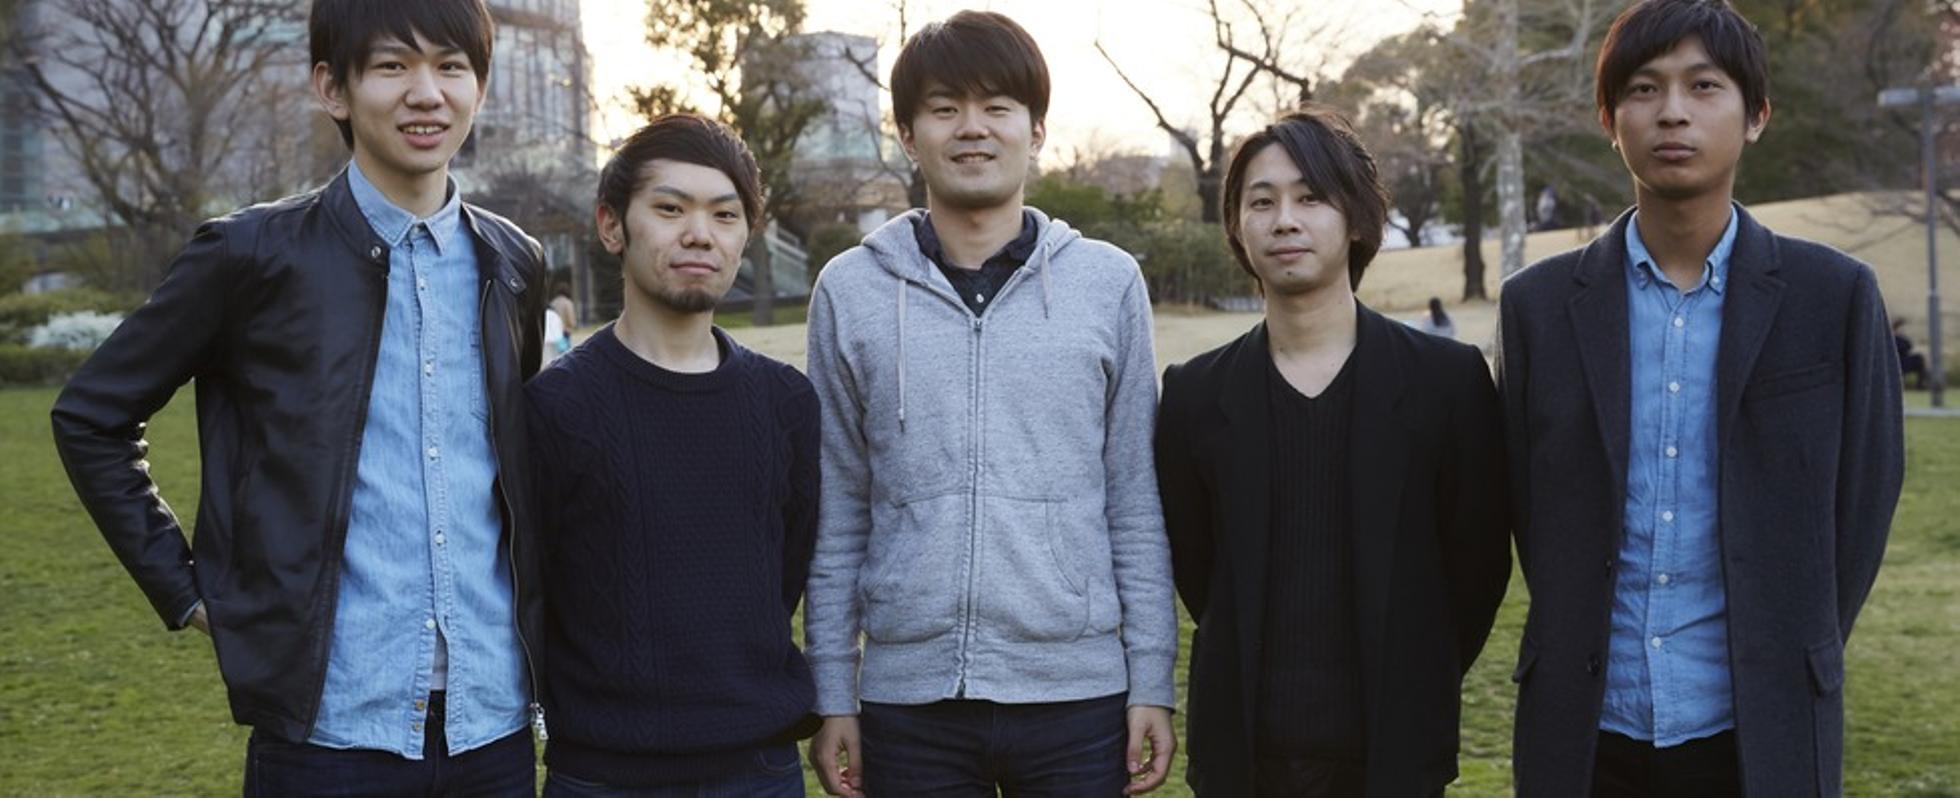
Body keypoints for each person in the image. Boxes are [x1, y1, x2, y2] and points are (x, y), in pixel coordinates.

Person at [49, 1, 549, 794]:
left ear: (479, 88)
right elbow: (91, 416)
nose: (426, 93)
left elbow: (522, 474)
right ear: (332, 88)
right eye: (393, 66)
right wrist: (184, 591)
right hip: (327, 733)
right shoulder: (248, 256)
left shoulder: (513, 262)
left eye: (451, 67)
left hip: (492, 728)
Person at [1495, 2, 1905, 795]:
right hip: (1587, 726)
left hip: (1761, 727)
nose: (1673, 112)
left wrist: (1796, 642)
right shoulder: (1537, 307)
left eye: (1704, 86)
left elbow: (1866, 495)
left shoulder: (1834, 296)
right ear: (1610, 119)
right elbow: (1520, 502)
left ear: (1756, 115)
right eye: (1644, 89)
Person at [802, 10, 1179, 797]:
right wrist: (834, 690)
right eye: (945, 108)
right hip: (909, 705)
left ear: (1036, 130)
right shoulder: (850, 289)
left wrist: (1151, 678)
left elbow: (1134, 499)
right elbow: (839, 506)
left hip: (1078, 698)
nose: (971, 128)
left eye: (997, 107)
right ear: (908, 135)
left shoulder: (1107, 283)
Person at [1155, 106, 1510, 798]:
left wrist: (1417, 669)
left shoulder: (1447, 383)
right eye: (1262, 202)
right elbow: (1201, 575)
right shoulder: (1195, 396)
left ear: (1356, 219)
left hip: (1395, 757)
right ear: (1237, 226)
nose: (1285, 220)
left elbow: (1477, 569)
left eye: (1311, 197)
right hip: (1242, 762)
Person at [525, 113, 819, 796]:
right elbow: (533, 590)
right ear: (611, 225)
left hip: (759, 770)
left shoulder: (786, 403)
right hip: (602, 775)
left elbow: (787, 573)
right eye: (670, 208)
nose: (699, 233)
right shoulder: (555, 407)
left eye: (725, 214)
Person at [1894, 318, 1928, 389]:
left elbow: (1909, 347)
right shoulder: (1893, 339)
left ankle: (1921, 384)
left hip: (1906, 360)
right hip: (1898, 361)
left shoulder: (1904, 338)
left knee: (1919, 359)